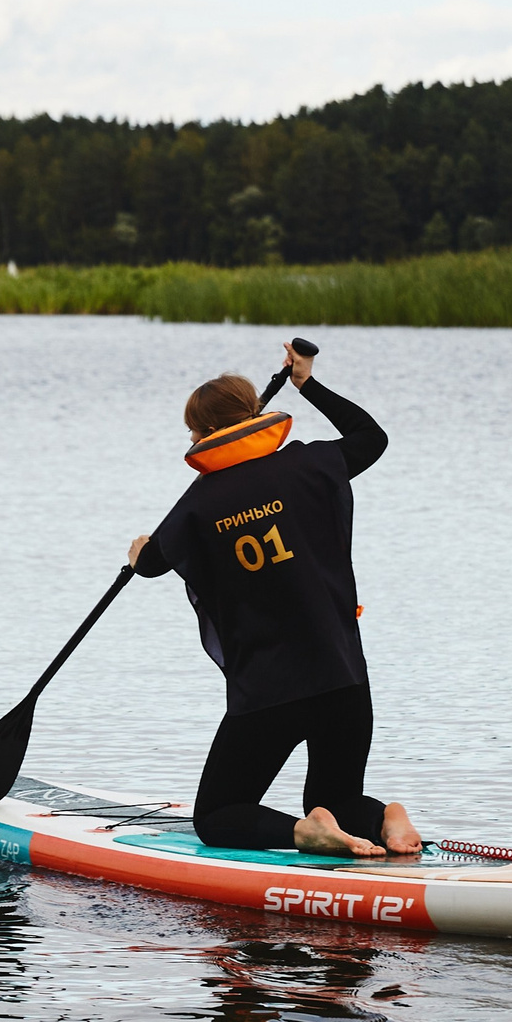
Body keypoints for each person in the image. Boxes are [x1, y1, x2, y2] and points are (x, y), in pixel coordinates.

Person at [128, 342, 422, 859]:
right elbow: (371, 438)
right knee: (336, 796)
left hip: (270, 692)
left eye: (193, 431)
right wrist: (308, 385)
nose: (192, 439)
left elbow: (154, 562)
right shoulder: (312, 463)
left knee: (218, 815)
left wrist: (138, 554)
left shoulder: (199, 504)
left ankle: (306, 833)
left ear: (205, 435)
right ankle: (384, 819)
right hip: (344, 678)